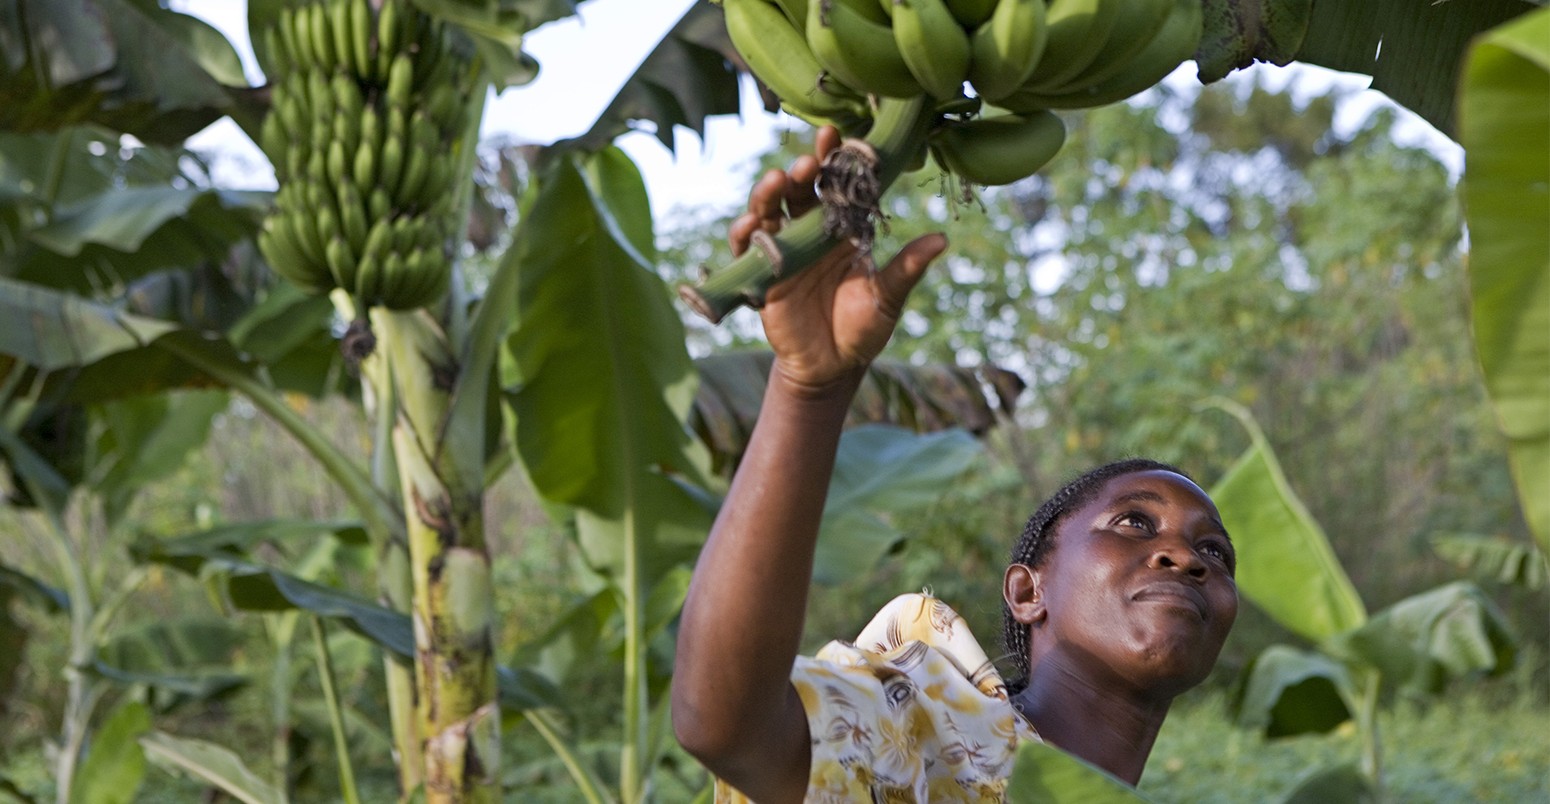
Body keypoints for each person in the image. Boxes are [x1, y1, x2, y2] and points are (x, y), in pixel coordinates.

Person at [671, 126, 1239, 803]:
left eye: (1215, 551)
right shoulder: (927, 736)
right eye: (1135, 524)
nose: (1186, 556)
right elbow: (727, 725)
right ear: (1028, 593)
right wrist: (808, 389)